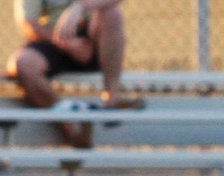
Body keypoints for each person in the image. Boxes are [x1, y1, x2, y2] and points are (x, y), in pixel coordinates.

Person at [7, 0, 137, 148]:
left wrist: (81, 6)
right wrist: (67, 44)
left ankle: (111, 103)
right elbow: (28, 23)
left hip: (93, 39)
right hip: (52, 38)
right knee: (22, 64)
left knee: (112, 13)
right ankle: (74, 129)